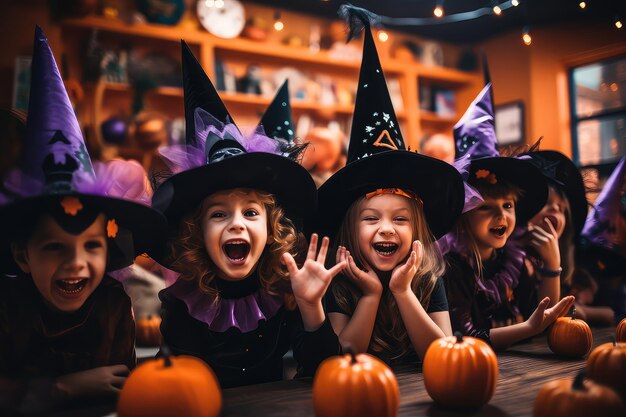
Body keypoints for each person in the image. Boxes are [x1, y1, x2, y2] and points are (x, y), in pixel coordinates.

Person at [150, 42, 343, 389]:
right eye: (219, 214)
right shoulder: (185, 304)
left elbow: (324, 374)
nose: (237, 223)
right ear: (197, 231)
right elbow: (175, 390)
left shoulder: (287, 290)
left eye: (251, 212)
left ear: (271, 229)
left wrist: (311, 307)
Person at [0, 27, 166, 414]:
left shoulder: (112, 304)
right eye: (55, 246)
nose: (75, 262)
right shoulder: (7, 308)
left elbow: (123, 388)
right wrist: (63, 387)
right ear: (23, 256)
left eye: (91, 245)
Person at [317, 8, 465, 364]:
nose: (387, 228)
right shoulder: (338, 281)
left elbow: (443, 355)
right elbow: (344, 357)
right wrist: (369, 296)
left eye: (401, 219)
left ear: (417, 228)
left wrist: (402, 290)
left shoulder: (428, 276)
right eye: (371, 218)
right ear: (350, 227)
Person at [440, 72, 574, 350]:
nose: (501, 216)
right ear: (463, 215)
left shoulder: (514, 259)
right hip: (471, 369)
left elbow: (543, 318)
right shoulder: (453, 269)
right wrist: (526, 329)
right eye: (486, 208)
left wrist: (552, 266)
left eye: (508, 206)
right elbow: (460, 339)